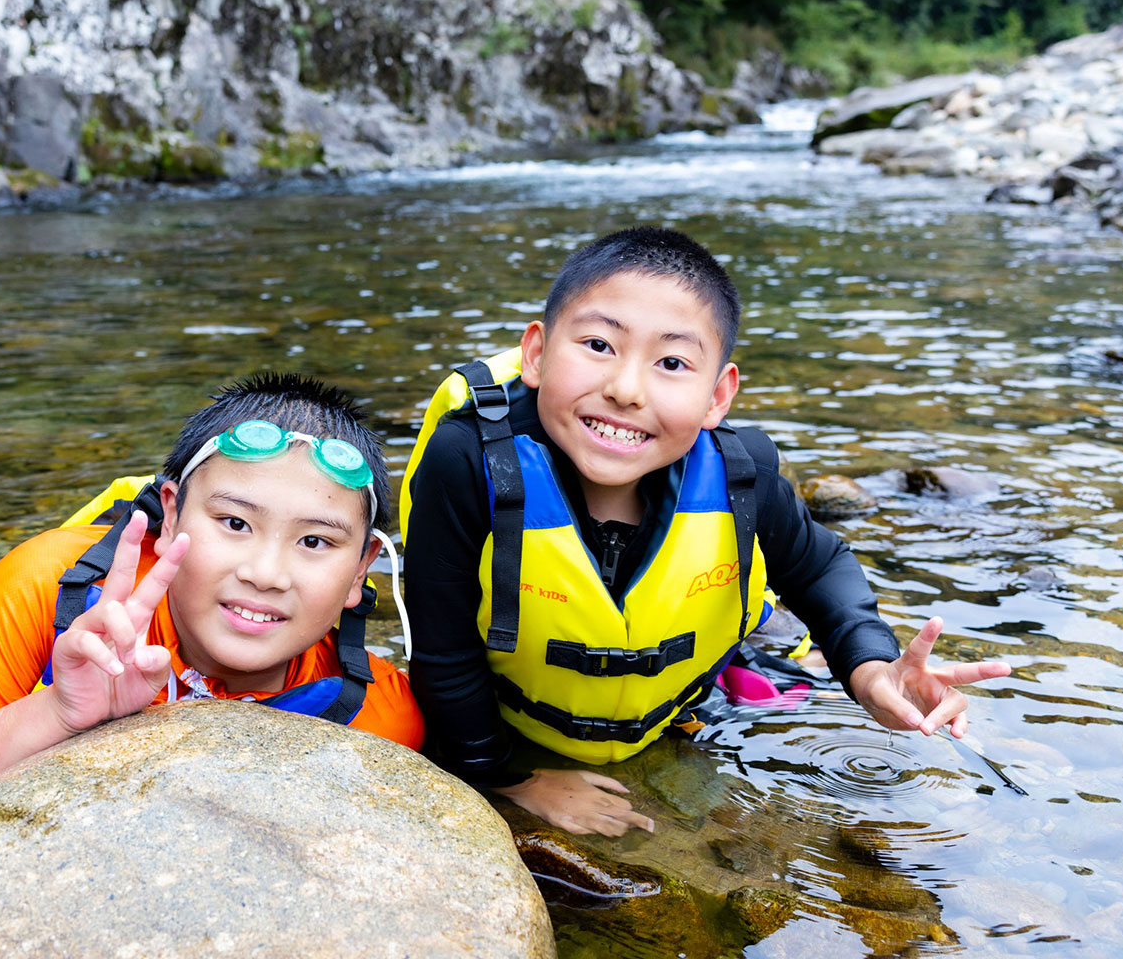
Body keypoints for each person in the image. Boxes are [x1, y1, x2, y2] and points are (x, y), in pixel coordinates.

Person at [399, 226, 1010, 836]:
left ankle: (756, 664)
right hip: (517, 720)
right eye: (597, 344)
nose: (625, 389)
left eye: (671, 363)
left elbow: (818, 567)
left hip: (671, 699)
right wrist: (512, 780)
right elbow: (443, 652)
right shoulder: (470, 464)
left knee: (790, 654)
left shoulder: (743, 475)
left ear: (718, 396)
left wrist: (871, 667)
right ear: (536, 354)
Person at [0, 374, 424, 857]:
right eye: (236, 523)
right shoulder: (52, 585)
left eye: (316, 542)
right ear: (171, 517)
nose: (267, 573)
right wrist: (57, 714)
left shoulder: (381, 718)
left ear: (360, 570)